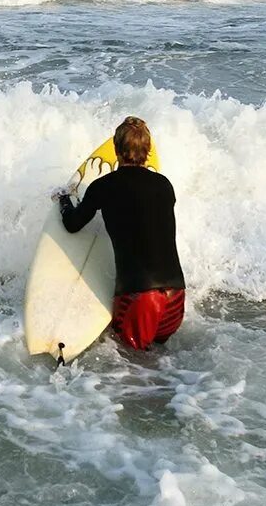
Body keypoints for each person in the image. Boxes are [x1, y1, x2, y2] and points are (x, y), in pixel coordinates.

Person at [57, 116, 186, 350]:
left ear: (116, 150)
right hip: (176, 296)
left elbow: (72, 224)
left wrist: (63, 198)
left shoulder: (104, 186)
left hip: (140, 298)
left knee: (133, 368)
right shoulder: (165, 185)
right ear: (147, 151)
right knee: (160, 364)